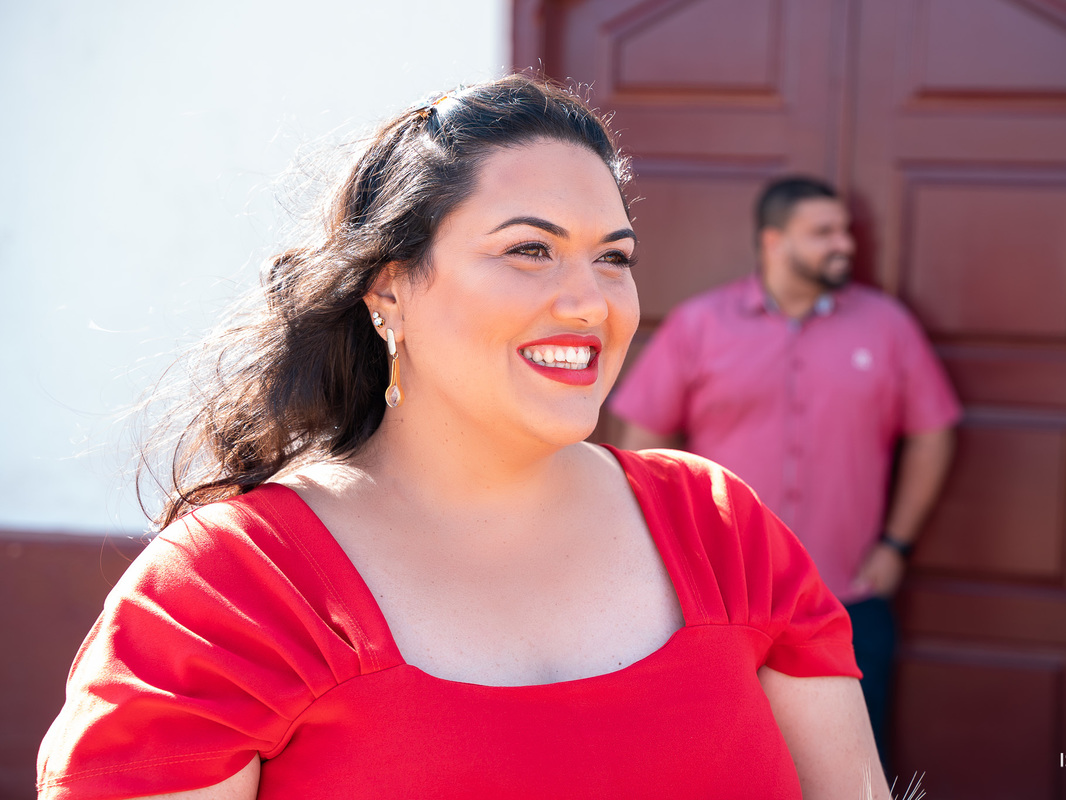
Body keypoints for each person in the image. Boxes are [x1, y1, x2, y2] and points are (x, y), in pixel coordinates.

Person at [36, 78, 893, 799]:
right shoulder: (234, 586)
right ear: (390, 290)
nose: (590, 303)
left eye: (613, 257)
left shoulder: (721, 531)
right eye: (530, 250)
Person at [610, 175, 960, 766]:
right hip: (720, 602)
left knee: (850, 770)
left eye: (845, 230)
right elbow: (644, 445)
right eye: (824, 232)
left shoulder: (887, 326)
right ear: (773, 241)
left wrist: (896, 544)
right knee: (719, 768)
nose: (844, 244)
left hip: (847, 597)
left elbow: (933, 432)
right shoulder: (700, 325)